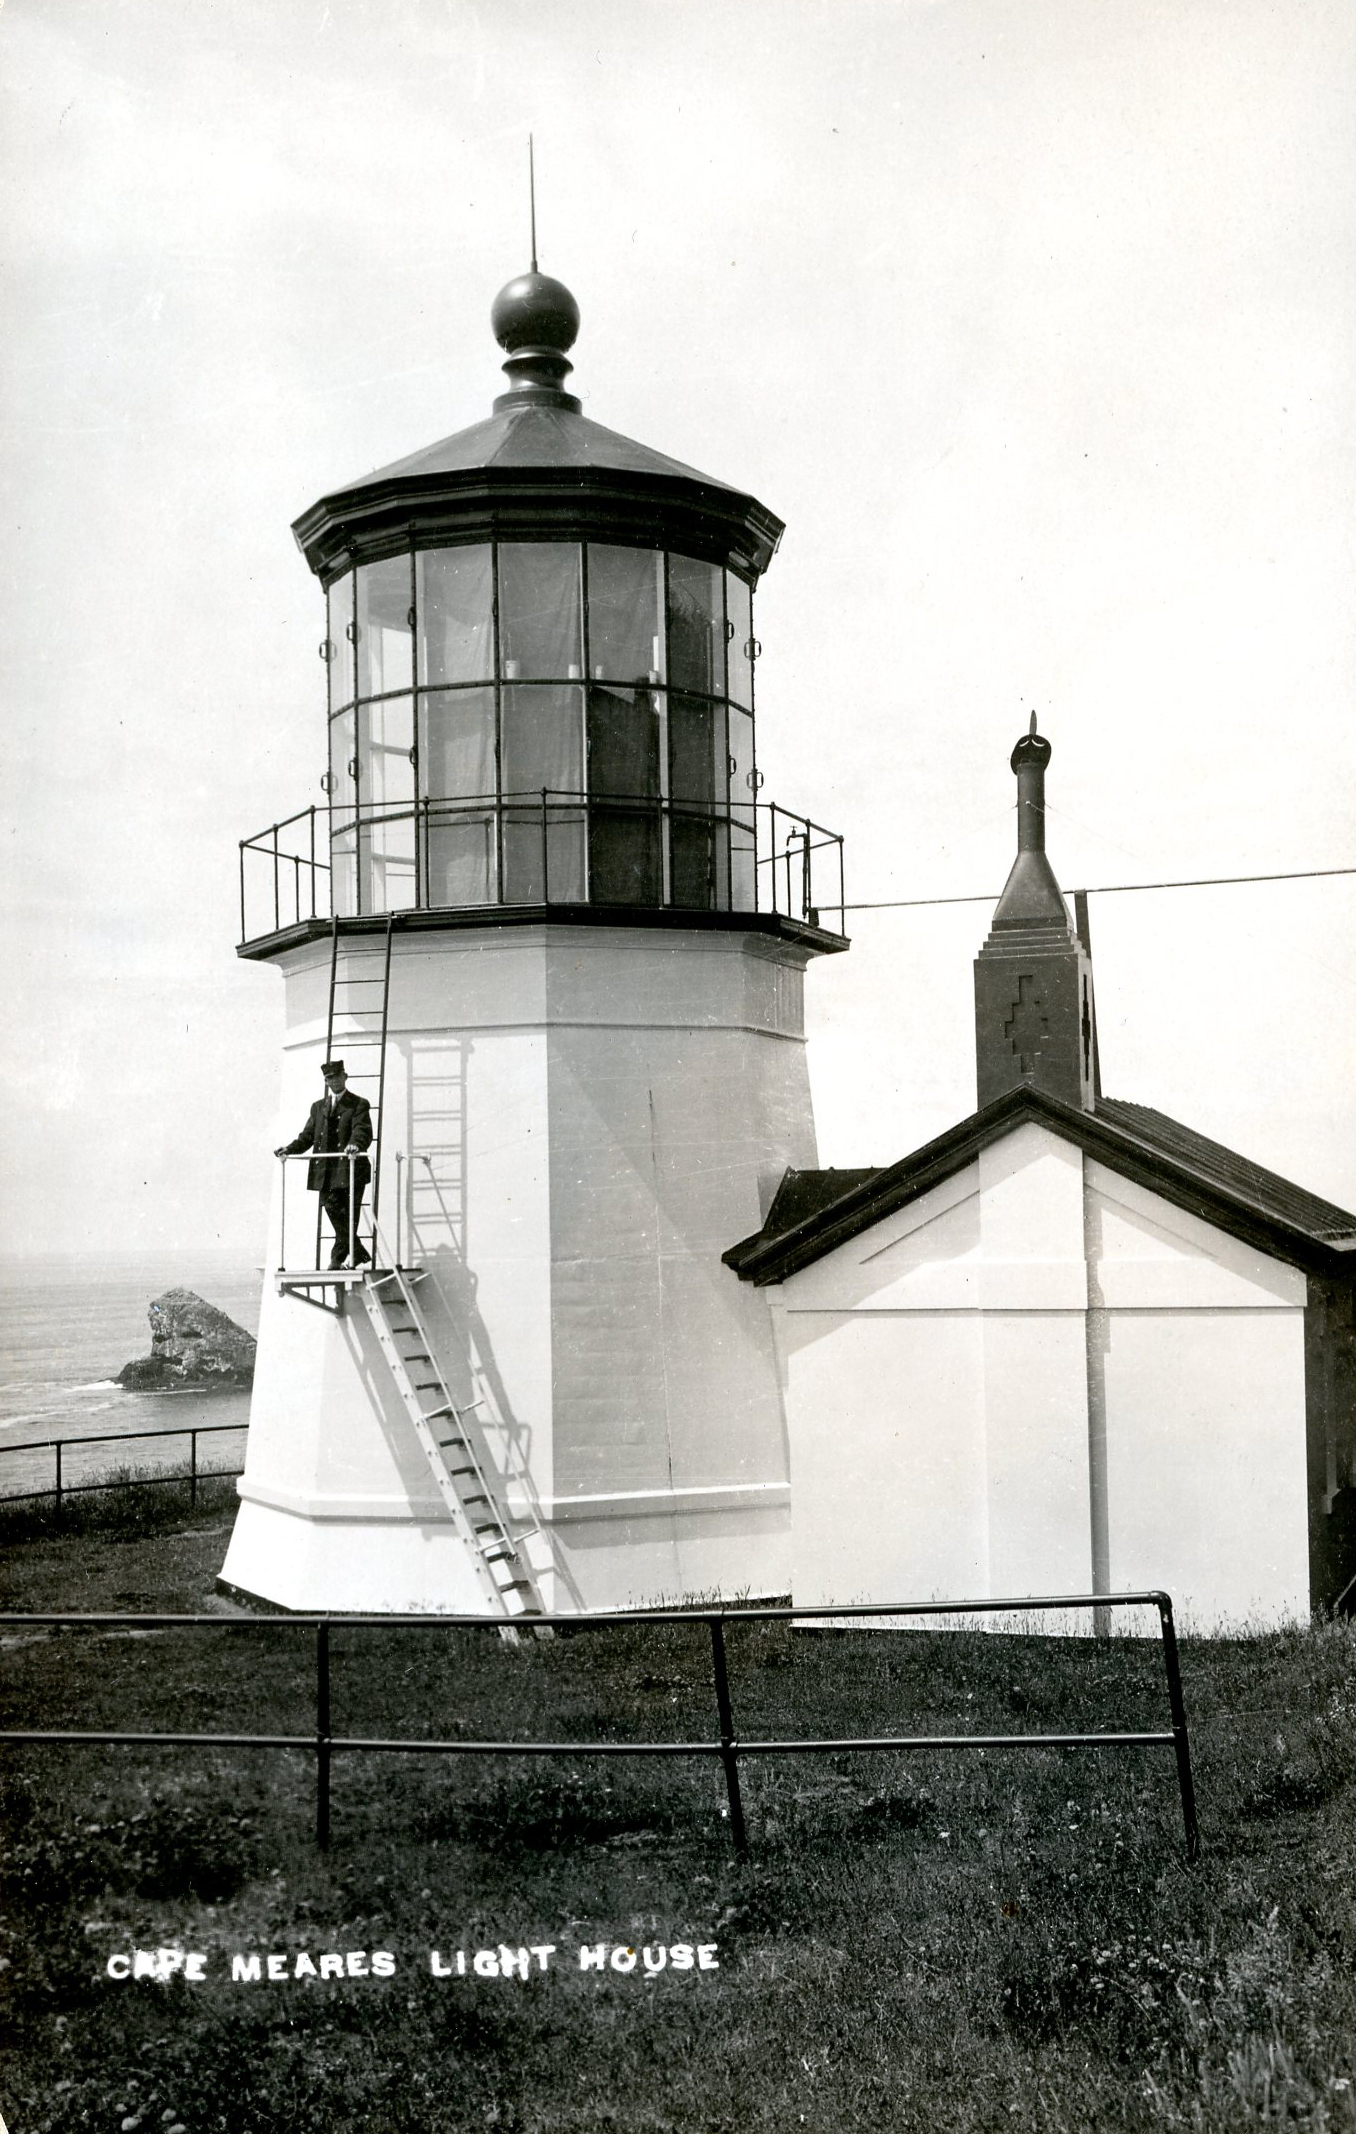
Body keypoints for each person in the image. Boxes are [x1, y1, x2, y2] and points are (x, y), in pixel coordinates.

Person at [275, 1060, 373, 1269]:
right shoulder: (318, 1107)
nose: (333, 1081)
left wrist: (355, 1144)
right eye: (329, 1078)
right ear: (325, 1081)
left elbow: (362, 1129)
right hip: (327, 1171)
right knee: (332, 1208)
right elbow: (308, 1136)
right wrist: (289, 1149)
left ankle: (337, 1260)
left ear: (344, 1077)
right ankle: (357, 1252)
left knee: (349, 1215)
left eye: (336, 1076)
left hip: (351, 1169)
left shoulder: (359, 1103)